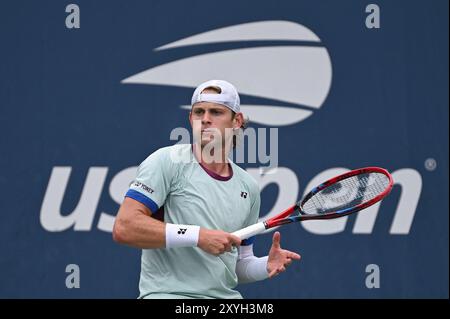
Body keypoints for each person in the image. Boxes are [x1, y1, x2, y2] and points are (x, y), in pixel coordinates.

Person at [113, 79, 301, 299]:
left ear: (237, 120)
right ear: (190, 118)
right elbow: (125, 227)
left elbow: (238, 264)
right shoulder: (166, 162)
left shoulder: (247, 187)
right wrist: (198, 236)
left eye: (216, 112)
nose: (205, 119)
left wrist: (264, 266)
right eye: (199, 112)